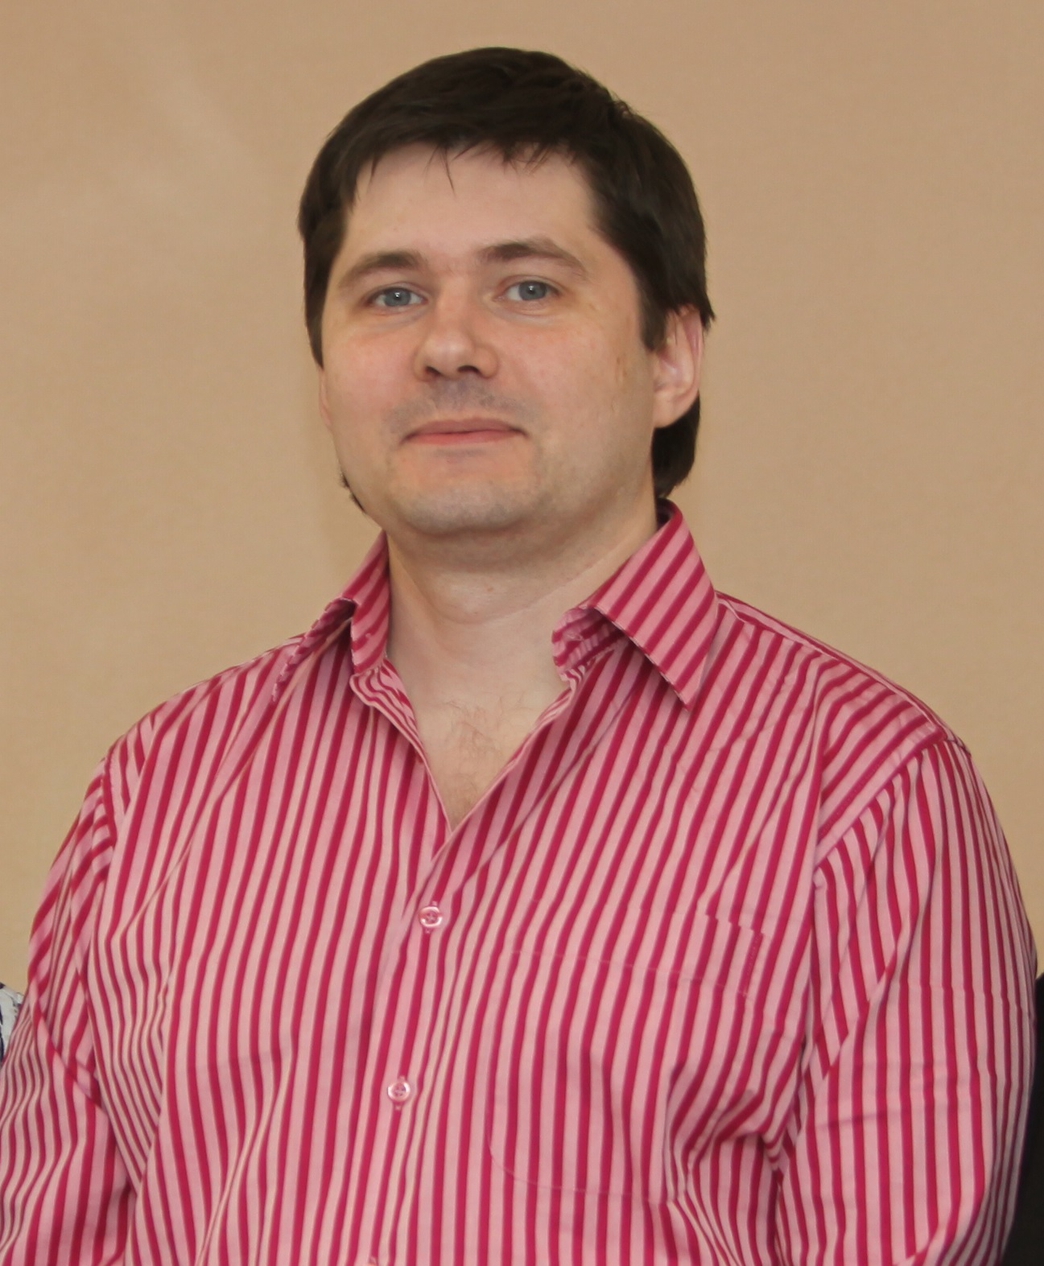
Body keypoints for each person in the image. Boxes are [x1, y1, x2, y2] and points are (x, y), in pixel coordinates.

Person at [0, 46, 1034, 1266]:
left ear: (672, 357)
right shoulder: (158, 792)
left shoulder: (869, 796)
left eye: (528, 288)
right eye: (390, 295)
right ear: (325, 379)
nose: (450, 346)